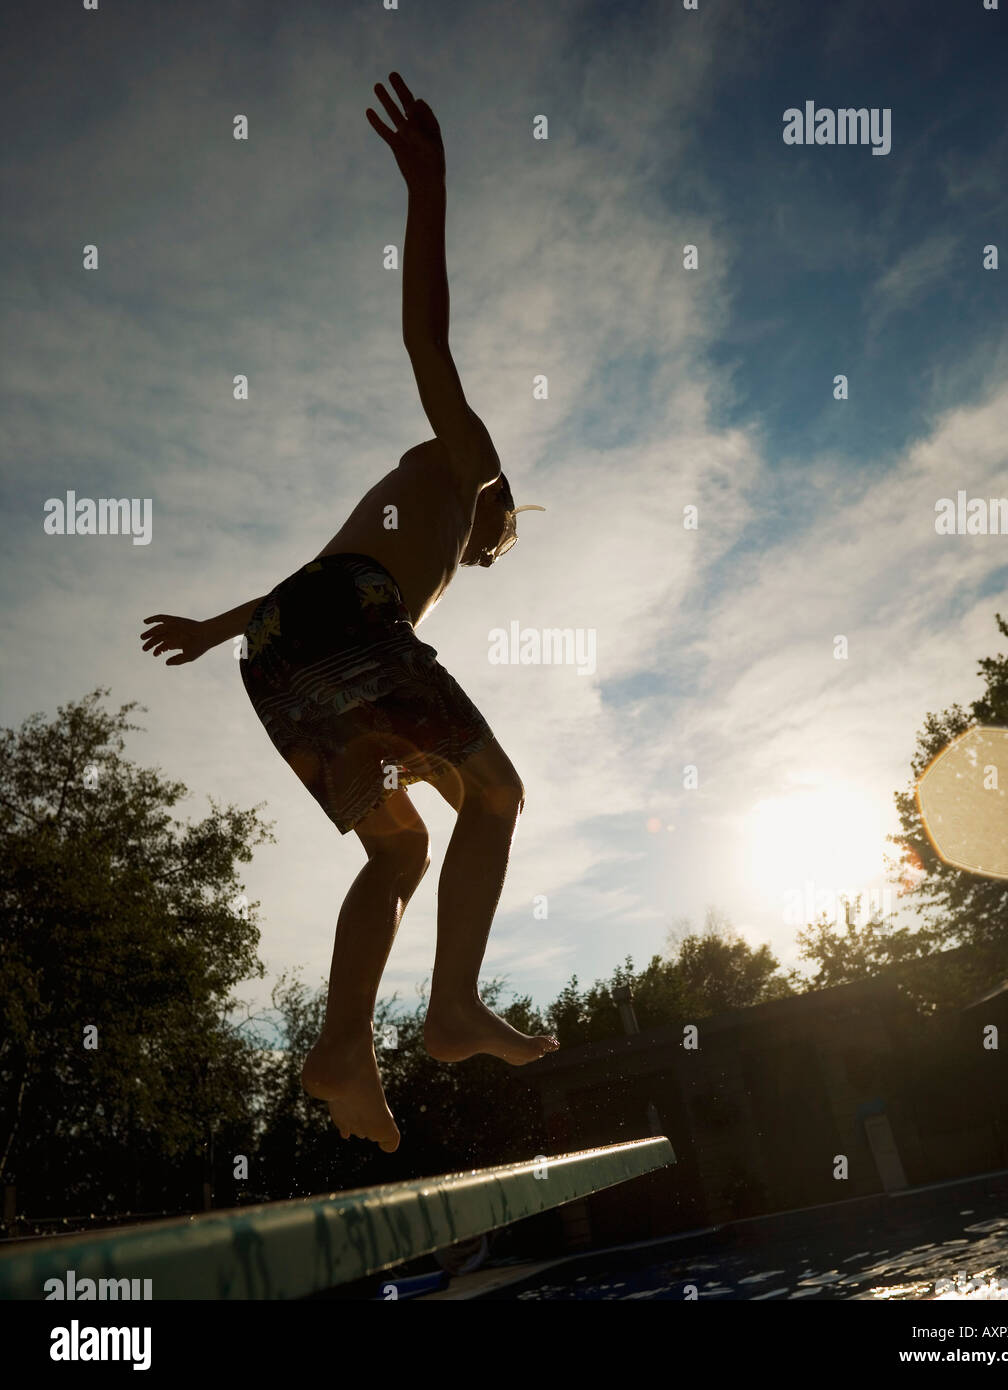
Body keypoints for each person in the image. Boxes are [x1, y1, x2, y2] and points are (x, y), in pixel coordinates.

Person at [141, 72, 557, 1152]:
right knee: (496, 796)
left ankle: (340, 1044)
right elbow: (425, 357)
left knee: (399, 853)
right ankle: (452, 1008)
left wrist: (218, 629)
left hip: (284, 651)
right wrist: (428, 194)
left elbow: (302, 590)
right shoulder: (444, 498)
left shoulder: (432, 493)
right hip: (334, 629)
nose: (426, 444)